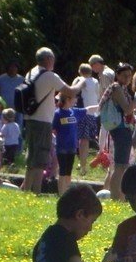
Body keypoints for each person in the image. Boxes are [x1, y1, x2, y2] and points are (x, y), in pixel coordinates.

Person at [22, 47, 76, 194]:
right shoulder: (49, 75)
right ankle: (36, 192)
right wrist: (81, 84)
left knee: (31, 156)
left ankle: (26, 190)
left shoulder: (30, 73)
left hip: (30, 118)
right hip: (43, 121)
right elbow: (70, 91)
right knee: (41, 157)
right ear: (48, 59)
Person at [100, 62, 136, 202]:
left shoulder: (123, 89)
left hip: (122, 129)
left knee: (122, 165)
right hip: (120, 129)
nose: (127, 78)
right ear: (117, 75)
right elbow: (127, 109)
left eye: (130, 76)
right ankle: (116, 199)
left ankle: (120, 197)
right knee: (120, 166)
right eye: (124, 75)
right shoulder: (116, 88)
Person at [52, 89, 89, 196]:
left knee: (68, 171)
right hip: (62, 147)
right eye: (74, 97)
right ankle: (61, 194)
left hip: (72, 147)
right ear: (68, 99)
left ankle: (67, 194)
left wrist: (101, 104)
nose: (76, 99)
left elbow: (88, 109)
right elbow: (53, 129)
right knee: (62, 172)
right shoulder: (58, 113)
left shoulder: (74, 111)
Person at [75, 61, 102, 175]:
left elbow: (73, 89)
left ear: (80, 72)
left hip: (83, 113)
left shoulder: (81, 80)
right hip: (94, 114)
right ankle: (84, 163)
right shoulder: (96, 81)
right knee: (86, 140)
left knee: (83, 141)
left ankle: (83, 164)